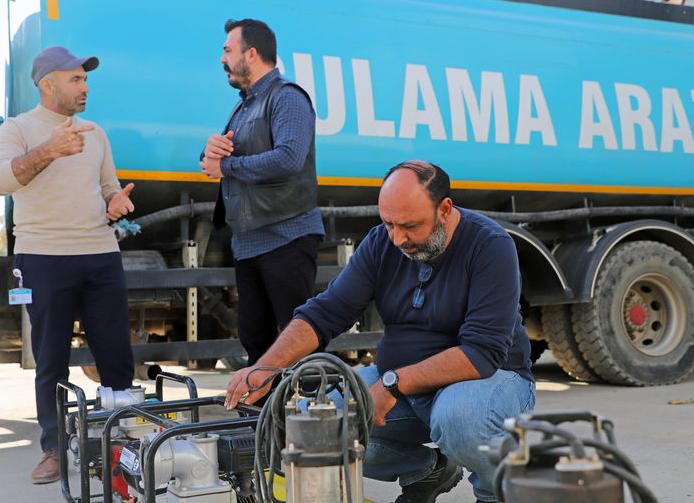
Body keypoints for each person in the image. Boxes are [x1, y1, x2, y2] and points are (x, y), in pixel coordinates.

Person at [226, 161, 536, 503]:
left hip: (490, 381)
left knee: (458, 419)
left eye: (410, 226)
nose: (398, 238)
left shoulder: (490, 245)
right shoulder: (381, 243)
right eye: (388, 223)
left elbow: (482, 353)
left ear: (445, 209)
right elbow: (325, 313)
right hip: (405, 381)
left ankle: (498, 494)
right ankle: (428, 469)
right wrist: (265, 368)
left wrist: (394, 382)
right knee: (310, 429)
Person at [0, 46, 136, 485]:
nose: (85, 86)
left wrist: (116, 201)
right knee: (51, 360)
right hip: (44, 258)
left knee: (116, 357)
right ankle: (54, 449)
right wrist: (49, 150)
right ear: (46, 85)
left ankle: (122, 446)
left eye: (85, 79)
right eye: (76, 79)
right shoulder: (17, 129)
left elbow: (108, 187)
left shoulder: (95, 132)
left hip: (101, 255)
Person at [200, 19, 324, 366]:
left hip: (286, 236)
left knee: (299, 341)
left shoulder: (287, 98)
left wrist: (227, 167)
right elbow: (224, 159)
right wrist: (211, 151)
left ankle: (316, 417)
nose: (222, 59)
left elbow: (289, 158)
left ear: (251, 54)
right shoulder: (242, 107)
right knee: (256, 341)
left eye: (228, 50)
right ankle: (268, 418)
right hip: (249, 242)